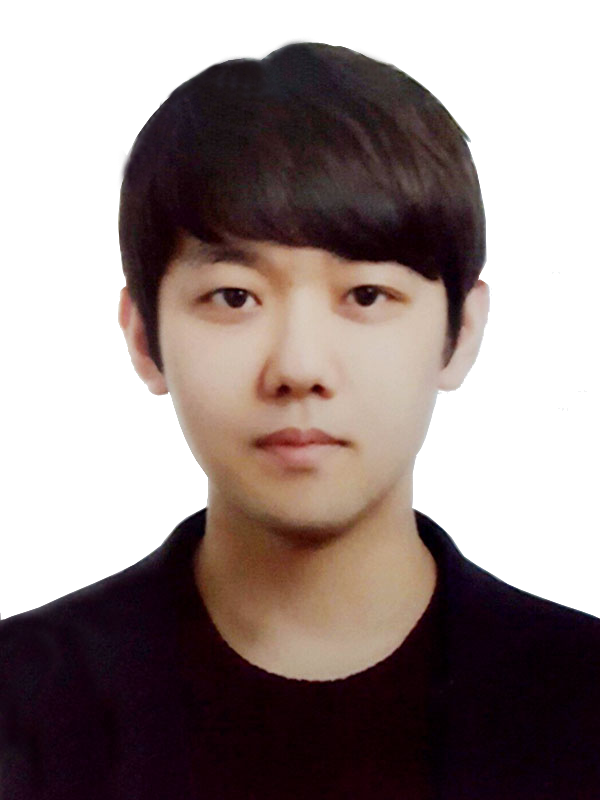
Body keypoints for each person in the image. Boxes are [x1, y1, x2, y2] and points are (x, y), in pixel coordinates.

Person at [1, 36, 598, 800]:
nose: (299, 367)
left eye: (367, 295)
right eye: (234, 297)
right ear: (145, 337)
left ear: (461, 333)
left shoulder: (582, 705)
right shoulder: (22, 705)